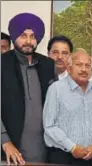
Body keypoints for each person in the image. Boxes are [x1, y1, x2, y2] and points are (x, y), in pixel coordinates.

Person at [1, 13, 57, 164]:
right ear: (13, 36)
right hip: (9, 149)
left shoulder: (48, 65)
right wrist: (5, 141)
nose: (28, 41)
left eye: (32, 36)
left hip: (44, 148)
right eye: (23, 35)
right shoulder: (2, 64)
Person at [43, 49, 92, 166]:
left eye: (87, 65)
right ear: (69, 68)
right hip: (62, 156)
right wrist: (72, 147)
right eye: (79, 65)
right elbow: (49, 125)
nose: (84, 69)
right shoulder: (56, 89)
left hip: (89, 157)